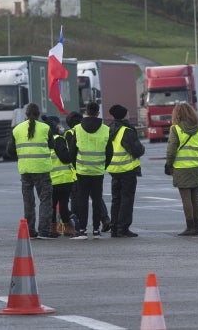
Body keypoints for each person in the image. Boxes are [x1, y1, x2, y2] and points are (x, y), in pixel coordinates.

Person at [6, 103, 60, 239]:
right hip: (42, 169)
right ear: (39, 114)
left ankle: (30, 230)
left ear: (26, 114)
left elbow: (10, 151)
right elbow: (52, 145)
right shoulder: (45, 128)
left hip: (25, 170)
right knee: (45, 200)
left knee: (28, 201)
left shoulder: (17, 129)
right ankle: (44, 231)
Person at [66, 102, 112, 240]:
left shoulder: (78, 129)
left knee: (82, 200)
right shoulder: (105, 129)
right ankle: (96, 230)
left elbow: (72, 151)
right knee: (97, 200)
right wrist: (103, 165)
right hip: (98, 170)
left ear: (86, 111)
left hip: (82, 170)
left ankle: (83, 229)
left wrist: (76, 165)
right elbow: (110, 152)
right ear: (98, 113)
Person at [106, 104, 145, 238]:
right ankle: (123, 228)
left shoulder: (109, 129)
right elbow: (137, 150)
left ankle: (114, 228)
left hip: (113, 169)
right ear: (124, 115)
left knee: (116, 199)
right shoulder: (126, 130)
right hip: (127, 169)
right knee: (126, 200)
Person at [165, 102, 198, 236]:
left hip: (181, 168)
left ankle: (190, 226)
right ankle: (196, 226)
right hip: (196, 166)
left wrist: (169, 164)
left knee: (186, 198)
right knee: (195, 198)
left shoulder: (175, 129)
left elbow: (171, 149)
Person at [45, 115, 77, 237]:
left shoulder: (44, 140)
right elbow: (65, 158)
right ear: (55, 126)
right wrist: (71, 153)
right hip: (63, 178)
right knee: (63, 204)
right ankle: (68, 227)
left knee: (52, 205)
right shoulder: (58, 139)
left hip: (49, 178)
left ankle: (52, 229)